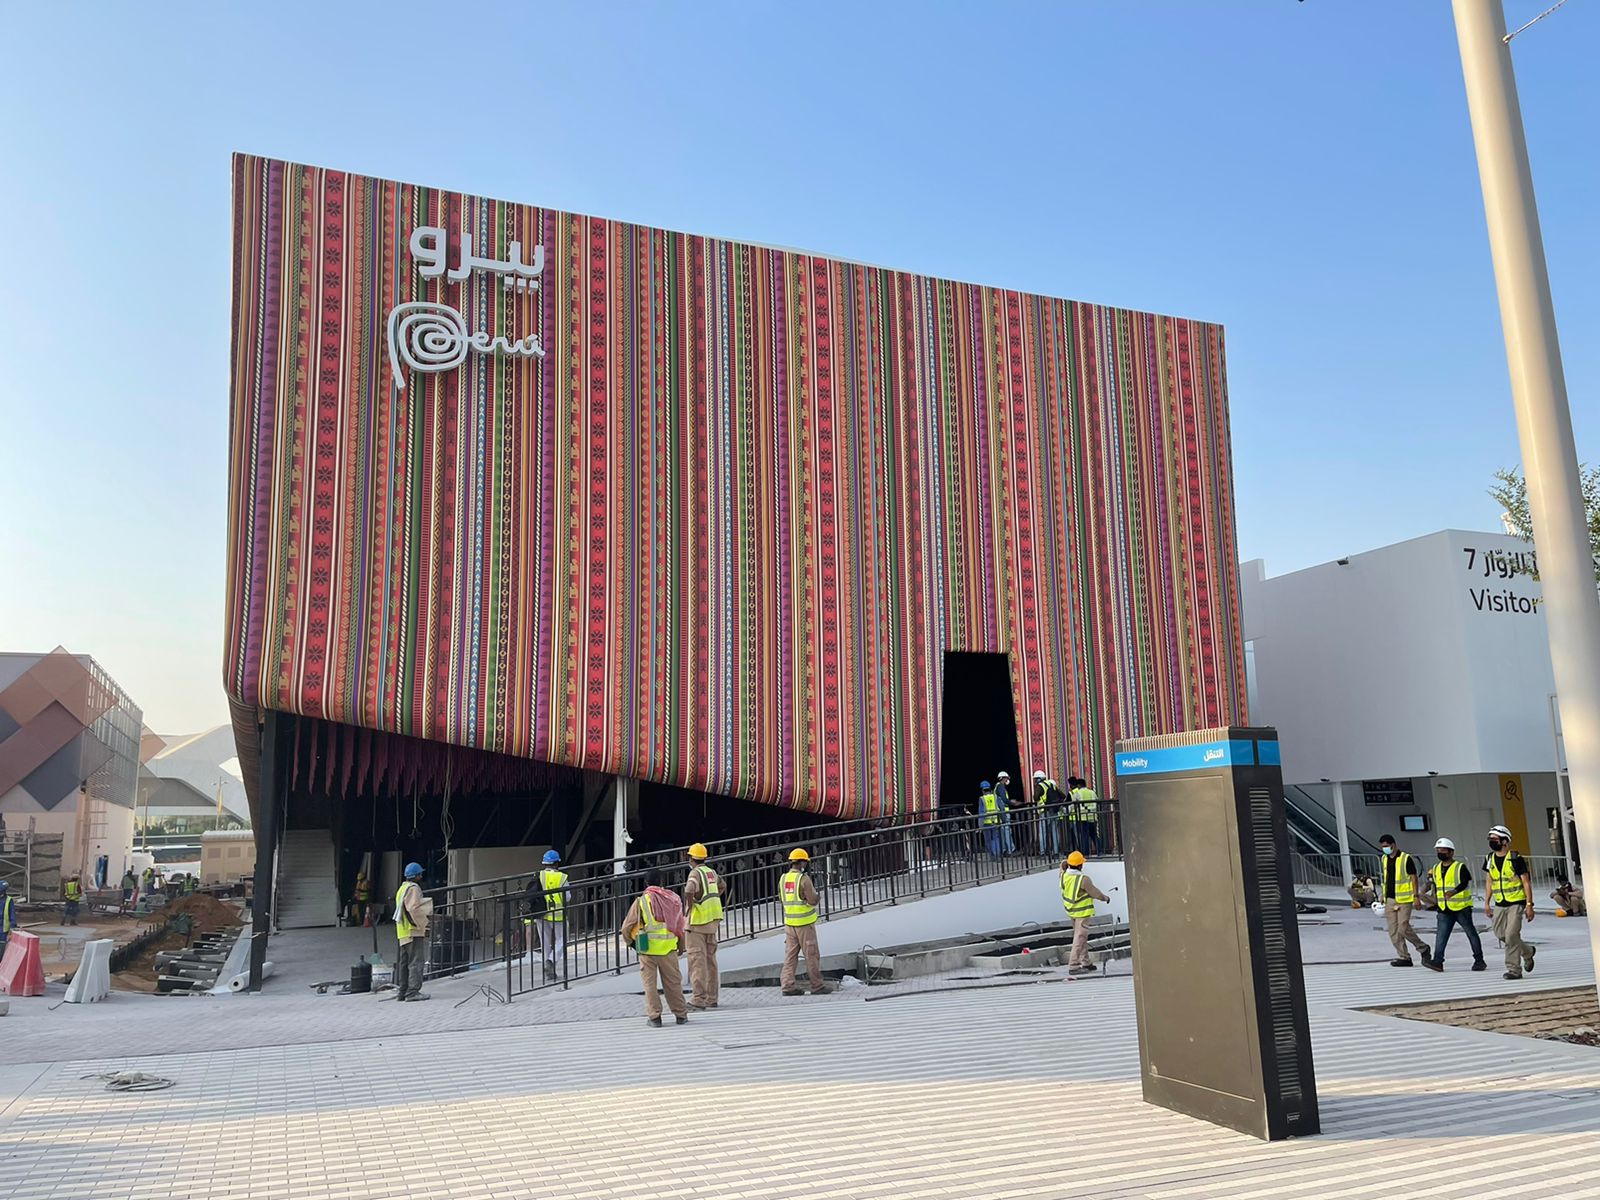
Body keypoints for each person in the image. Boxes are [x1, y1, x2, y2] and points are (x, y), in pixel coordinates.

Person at [620, 868, 689, 1026]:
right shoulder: (673, 899)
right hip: (669, 949)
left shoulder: (642, 901)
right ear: (662, 881)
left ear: (646, 883)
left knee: (650, 985)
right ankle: (681, 1015)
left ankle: (655, 1017)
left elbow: (626, 927)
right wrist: (681, 946)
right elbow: (680, 926)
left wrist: (631, 943)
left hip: (647, 950)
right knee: (673, 983)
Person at [1423, 838, 1485, 973]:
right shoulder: (1436, 868)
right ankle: (1438, 961)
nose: (1440, 852)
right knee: (1441, 936)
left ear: (1451, 852)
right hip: (1444, 908)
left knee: (1471, 933)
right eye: (1438, 850)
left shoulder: (1459, 867)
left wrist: (1454, 891)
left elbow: (1464, 882)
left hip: (1461, 908)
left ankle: (1479, 960)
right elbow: (1434, 884)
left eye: (1443, 850)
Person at [1483, 825, 1536, 981]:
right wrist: (1486, 903)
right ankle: (1528, 952)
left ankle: (1514, 970)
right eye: (1490, 839)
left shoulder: (1515, 858)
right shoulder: (1489, 859)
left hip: (1516, 902)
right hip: (1500, 903)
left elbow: (1526, 882)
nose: (1492, 842)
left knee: (1512, 935)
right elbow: (1489, 881)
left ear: (1505, 841)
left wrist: (1529, 905)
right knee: (1500, 934)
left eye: (1495, 839)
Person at [780, 848, 832, 995]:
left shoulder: (783, 878)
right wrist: (817, 897)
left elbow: (782, 898)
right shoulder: (803, 879)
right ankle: (817, 986)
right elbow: (812, 899)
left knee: (790, 956)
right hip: (804, 924)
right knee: (811, 955)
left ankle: (787, 986)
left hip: (790, 924)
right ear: (802, 863)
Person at [681, 842, 725, 1011]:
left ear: (691, 858)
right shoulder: (711, 872)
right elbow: (723, 886)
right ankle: (712, 998)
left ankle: (698, 999)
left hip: (697, 923)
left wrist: (691, 905)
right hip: (712, 921)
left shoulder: (695, 873)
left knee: (696, 961)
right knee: (710, 961)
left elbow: (689, 890)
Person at [1376, 834, 1430, 967]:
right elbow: (1387, 878)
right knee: (1393, 930)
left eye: (1386, 846)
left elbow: (1414, 878)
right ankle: (1404, 957)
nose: (1385, 849)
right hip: (1390, 899)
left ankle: (1422, 947)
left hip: (1404, 899)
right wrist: (1383, 894)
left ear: (1393, 845)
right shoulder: (1384, 858)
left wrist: (1416, 897)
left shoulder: (1406, 858)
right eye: (1382, 847)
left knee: (1403, 928)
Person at [1060, 851, 1110, 972]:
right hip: (1082, 913)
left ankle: (1085, 961)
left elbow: (1062, 865)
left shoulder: (1064, 875)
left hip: (1071, 911)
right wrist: (1105, 898)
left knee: (1081, 937)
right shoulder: (1083, 879)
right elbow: (1095, 893)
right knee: (1079, 938)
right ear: (1080, 865)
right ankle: (1074, 965)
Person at [527, 850, 568, 983]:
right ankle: (551, 960)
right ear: (557, 863)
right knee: (562, 940)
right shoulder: (562, 877)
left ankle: (548, 971)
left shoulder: (538, 875)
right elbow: (567, 897)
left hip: (541, 914)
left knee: (544, 943)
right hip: (558, 914)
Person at [393, 861, 431, 1002]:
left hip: (402, 931)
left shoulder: (402, 888)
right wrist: (425, 924)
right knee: (416, 961)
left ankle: (402, 992)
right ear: (417, 875)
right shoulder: (414, 889)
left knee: (404, 963)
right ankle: (413, 992)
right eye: (420, 874)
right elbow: (413, 909)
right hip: (412, 930)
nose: (421, 876)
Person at [1033, 770, 1066, 858]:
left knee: (1042, 832)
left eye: (1035, 779)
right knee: (1055, 832)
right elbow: (1063, 795)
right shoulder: (1051, 784)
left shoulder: (1040, 786)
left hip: (1045, 811)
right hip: (1054, 811)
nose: (1034, 781)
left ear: (1039, 779)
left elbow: (1035, 798)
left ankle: (1042, 853)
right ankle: (1056, 852)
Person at [978, 782, 1004, 859]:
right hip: (996, 821)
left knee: (988, 840)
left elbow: (981, 813)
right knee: (996, 839)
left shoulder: (982, 799)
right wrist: (1004, 819)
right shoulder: (996, 797)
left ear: (982, 790)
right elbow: (1001, 809)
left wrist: (980, 826)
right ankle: (997, 855)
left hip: (987, 823)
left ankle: (993, 855)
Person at [995, 771, 1018, 854]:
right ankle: (1011, 850)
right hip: (1004, 812)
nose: (1007, 780)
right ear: (1003, 778)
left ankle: (1004, 850)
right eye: (1006, 778)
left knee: (1003, 831)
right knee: (1007, 831)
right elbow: (1004, 799)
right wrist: (1012, 802)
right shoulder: (1001, 786)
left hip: (1000, 812)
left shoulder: (997, 786)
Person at [0, 880, 15, 952]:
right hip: (3, 929)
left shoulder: (9, 900)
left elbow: (12, 914)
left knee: (2, 948)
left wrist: (13, 926)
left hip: (3, 929)